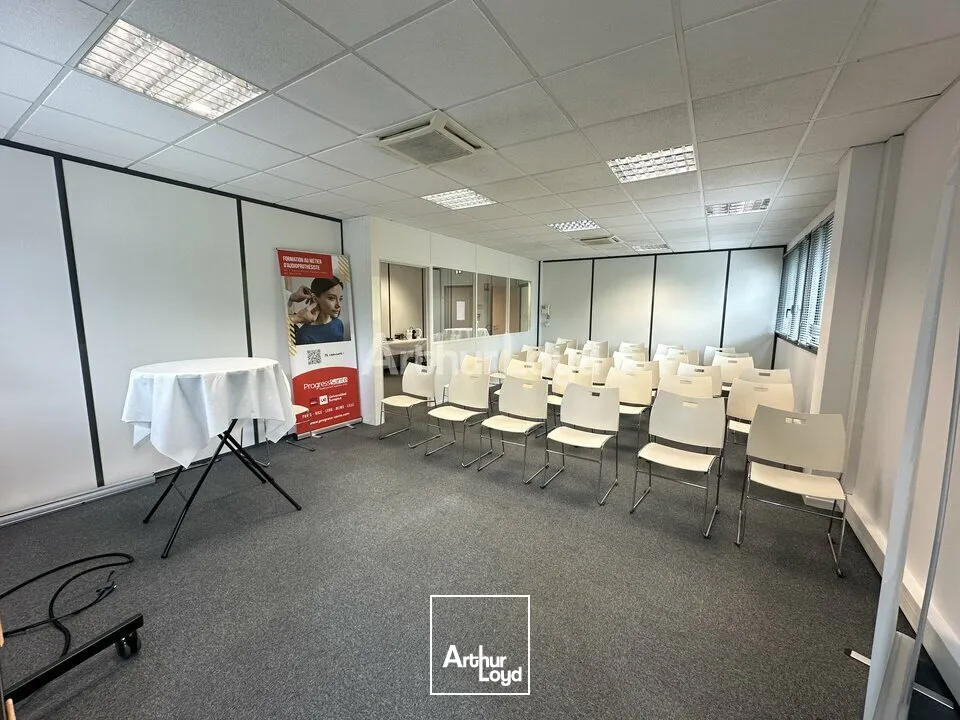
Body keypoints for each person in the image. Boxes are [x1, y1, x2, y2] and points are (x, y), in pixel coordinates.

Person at [288, 276, 345, 344]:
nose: (339, 305)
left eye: (340, 299)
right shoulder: (304, 336)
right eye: (331, 298)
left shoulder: (339, 324)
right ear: (315, 299)